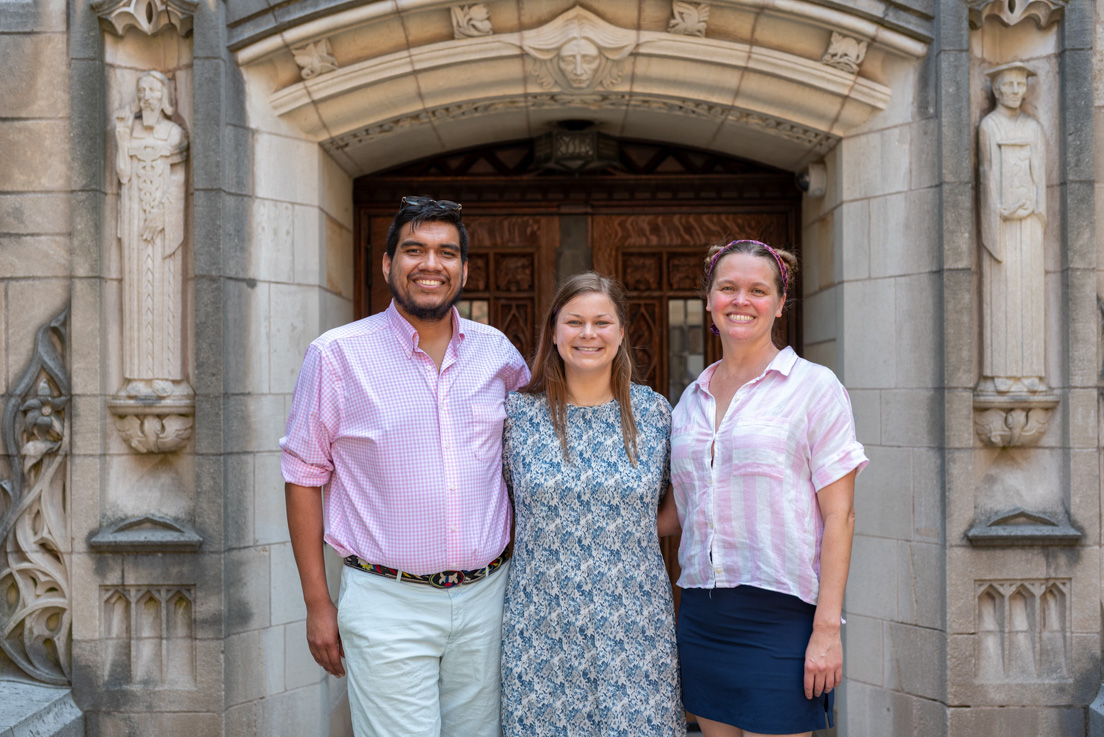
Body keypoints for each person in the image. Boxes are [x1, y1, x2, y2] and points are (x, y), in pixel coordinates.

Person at [280, 196, 530, 737]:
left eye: (446, 252)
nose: (431, 264)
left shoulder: (500, 356)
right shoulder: (336, 356)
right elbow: (302, 477)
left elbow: (530, 463)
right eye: (414, 250)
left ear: (464, 268)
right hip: (387, 602)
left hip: (488, 599)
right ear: (387, 264)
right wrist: (317, 603)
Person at [671, 240, 868, 737]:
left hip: (783, 616)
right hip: (702, 613)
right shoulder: (689, 402)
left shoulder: (814, 387)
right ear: (709, 299)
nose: (742, 301)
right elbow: (681, 507)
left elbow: (840, 517)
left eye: (758, 290)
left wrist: (827, 630)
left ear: (780, 304)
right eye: (728, 288)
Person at [500, 272, 684, 737]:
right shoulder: (517, 415)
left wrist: (625, 531)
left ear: (622, 332)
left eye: (602, 322)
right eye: (574, 322)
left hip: (635, 624)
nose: (588, 333)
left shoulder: (654, 413)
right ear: (554, 332)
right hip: (540, 623)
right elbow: (494, 509)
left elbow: (676, 508)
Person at [978, 61, 1048, 395]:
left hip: (1029, 226)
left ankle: (1031, 371)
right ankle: (999, 373)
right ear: (996, 89)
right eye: (1009, 85)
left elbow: (1041, 177)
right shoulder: (989, 127)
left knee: (1029, 296)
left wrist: (1034, 207)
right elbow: (987, 175)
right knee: (1002, 296)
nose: (1015, 91)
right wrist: (998, 211)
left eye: (1021, 85)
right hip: (1003, 225)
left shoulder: (1034, 128)